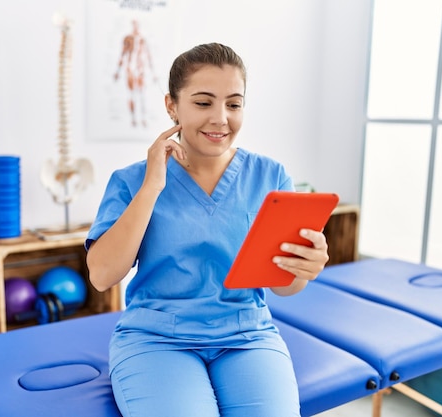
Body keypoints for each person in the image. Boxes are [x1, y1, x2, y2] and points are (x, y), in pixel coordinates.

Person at [86, 43, 329, 417]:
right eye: (203, 103)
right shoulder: (131, 181)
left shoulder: (271, 176)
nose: (220, 119)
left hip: (248, 335)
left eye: (233, 104)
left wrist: (305, 269)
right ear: (172, 105)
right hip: (157, 338)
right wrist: (153, 186)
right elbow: (103, 275)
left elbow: (284, 286)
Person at [113, 19, 156, 128]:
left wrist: (153, 73)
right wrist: (118, 71)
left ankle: (143, 119)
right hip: (131, 69)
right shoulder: (128, 39)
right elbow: (122, 54)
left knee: (142, 95)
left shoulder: (142, 39)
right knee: (132, 95)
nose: (136, 27)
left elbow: (148, 55)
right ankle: (133, 119)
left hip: (140, 69)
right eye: (134, 24)